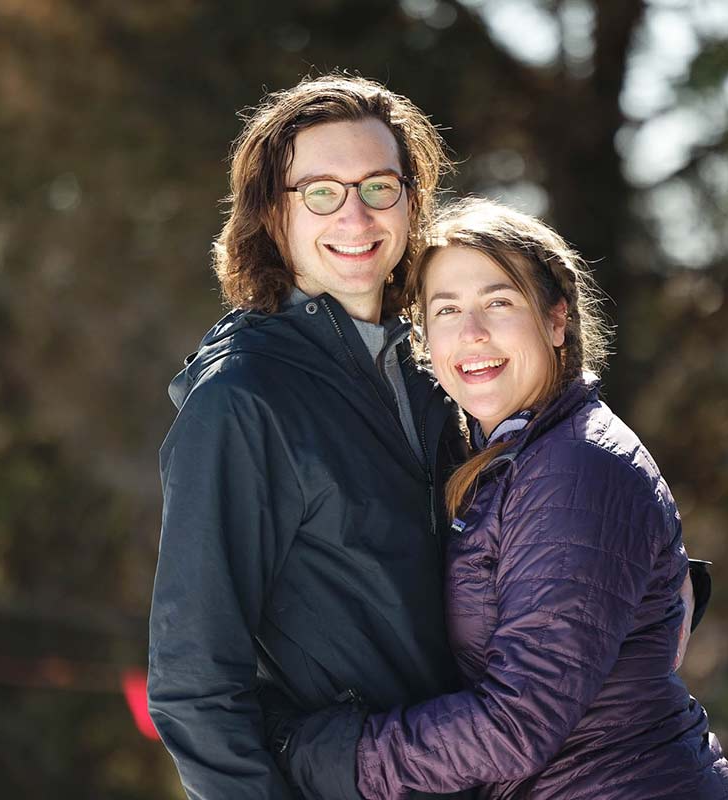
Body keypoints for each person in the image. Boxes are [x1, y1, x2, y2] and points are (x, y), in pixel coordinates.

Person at [276, 199, 728, 800]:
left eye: (499, 302)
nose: (471, 333)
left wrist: (328, 755)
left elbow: (516, 724)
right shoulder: (503, 455)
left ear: (555, 320)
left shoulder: (575, 467)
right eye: (446, 310)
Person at [146, 74, 474, 800]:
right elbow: (193, 687)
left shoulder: (440, 367)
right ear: (272, 213)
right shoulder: (241, 401)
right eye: (321, 191)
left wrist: (658, 591)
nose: (355, 216)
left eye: (378, 187)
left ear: (412, 202)